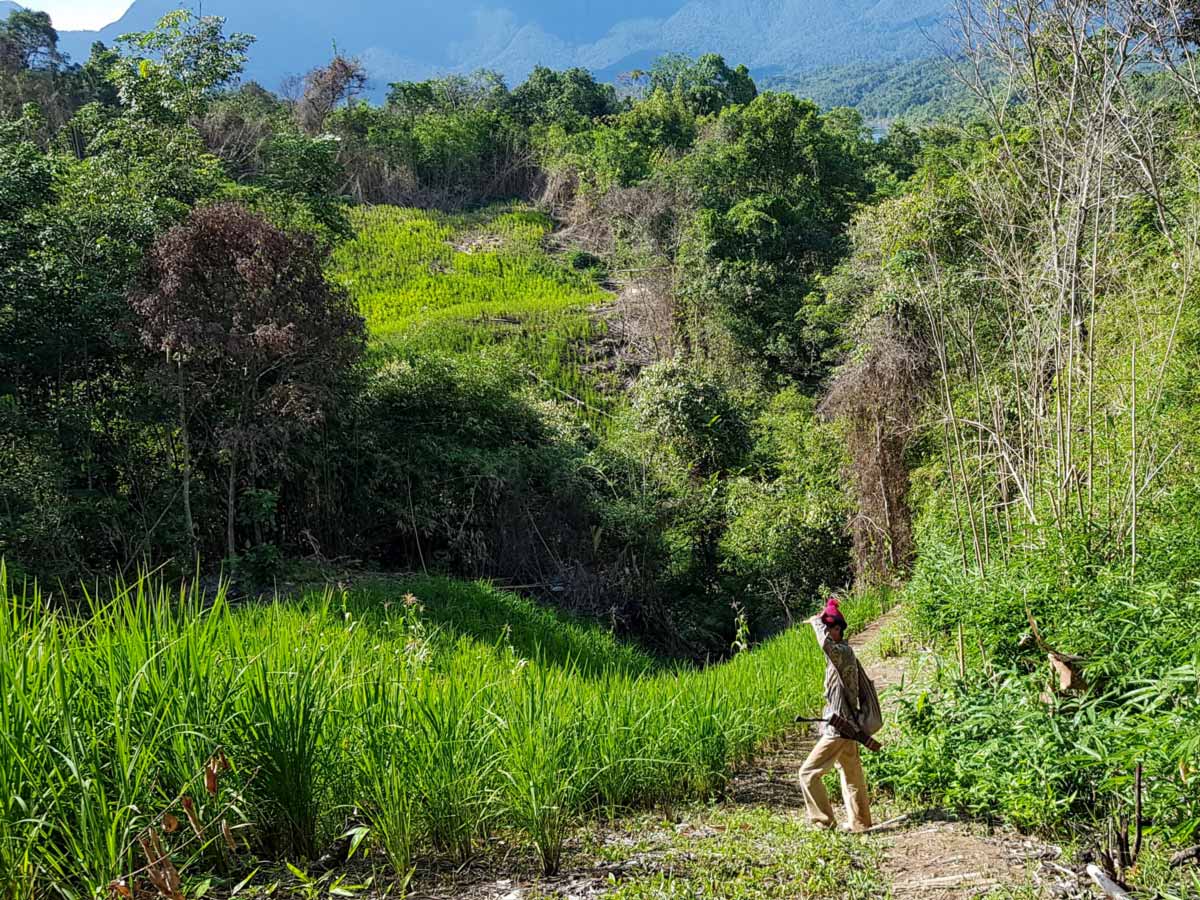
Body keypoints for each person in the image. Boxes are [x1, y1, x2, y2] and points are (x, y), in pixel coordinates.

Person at [798, 596, 873, 832]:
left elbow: (825, 645)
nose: (826, 633)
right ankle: (860, 823)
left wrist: (816, 623)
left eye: (829, 628)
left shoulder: (840, 652)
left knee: (808, 773)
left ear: (837, 630)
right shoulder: (844, 653)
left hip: (839, 729)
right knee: (851, 774)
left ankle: (823, 822)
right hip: (847, 727)